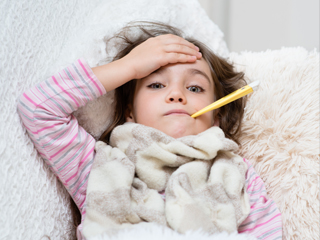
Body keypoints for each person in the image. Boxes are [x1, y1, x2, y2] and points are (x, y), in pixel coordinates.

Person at [17, 22, 282, 240]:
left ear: (217, 116)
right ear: (130, 111)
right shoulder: (99, 168)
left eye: (195, 88)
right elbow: (38, 109)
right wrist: (129, 67)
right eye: (156, 84)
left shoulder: (237, 172)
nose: (177, 94)